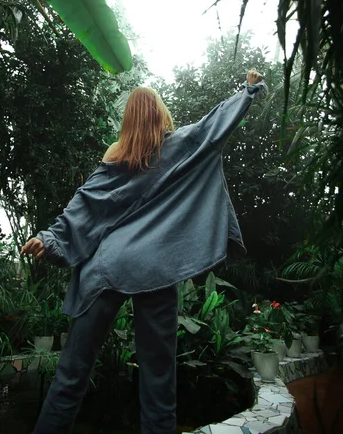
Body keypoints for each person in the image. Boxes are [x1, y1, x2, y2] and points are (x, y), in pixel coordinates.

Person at [21, 68, 266, 434]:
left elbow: (83, 206)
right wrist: (247, 91)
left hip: (104, 269)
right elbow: (214, 127)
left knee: (71, 377)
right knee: (158, 381)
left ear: (129, 120)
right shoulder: (180, 143)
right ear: (161, 113)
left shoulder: (115, 156)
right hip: (155, 269)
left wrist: (50, 239)